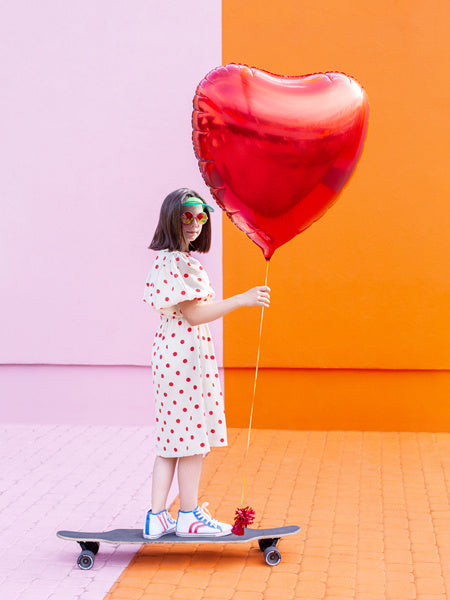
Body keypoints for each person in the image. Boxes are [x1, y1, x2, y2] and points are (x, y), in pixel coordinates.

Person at [142, 188, 270, 538]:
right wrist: (241, 300)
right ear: (172, 217)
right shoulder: (177, 262)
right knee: (192, 440)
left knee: (172, 440)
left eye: (202, 216)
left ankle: (157, 518)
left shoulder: (169, 261)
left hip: (174, 353)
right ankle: (188, 515)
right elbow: (194, 314)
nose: (196, 223)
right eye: (188, 216)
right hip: (183, 357)